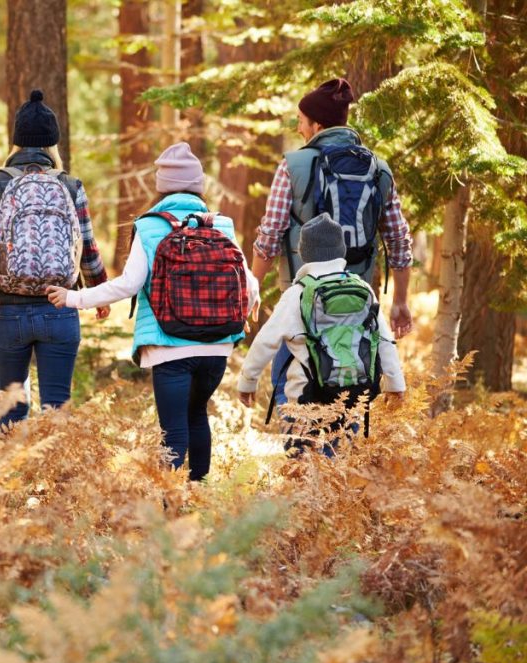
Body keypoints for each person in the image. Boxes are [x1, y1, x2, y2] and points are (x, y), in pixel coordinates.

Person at [47, 142, 259, 481]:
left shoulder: (149, 226)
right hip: (218, 346)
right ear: (198, 186)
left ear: (162, 186)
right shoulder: (222, 225)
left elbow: (128, 285)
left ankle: (170, 508)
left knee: (173, 430)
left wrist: (74, 298)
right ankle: (198, 495)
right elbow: (247, 282)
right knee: (197, 415)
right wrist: (245, 311)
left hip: (168, 344)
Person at [250, 77, 414, 410]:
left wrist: (253, 286)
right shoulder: (378, 170)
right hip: (356, 303)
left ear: (317, 124)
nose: (298, 128)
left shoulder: (293, 166)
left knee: (293, 387)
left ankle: (304, 456)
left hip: (303, 301)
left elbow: (270, 234)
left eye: (300, 121)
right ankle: (339, 459)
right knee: (350, 390)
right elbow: (398, 239)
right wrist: (400, 301)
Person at [0, 89, 110, 430]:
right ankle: (54, 480)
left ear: (16, 142)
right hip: (60, 308)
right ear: (53, 143)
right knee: (56, 409)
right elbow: (87, 247)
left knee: (11, 408)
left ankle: (13, 480)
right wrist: (100, 293)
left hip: (6, 312)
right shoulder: (70, 185)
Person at [238, 214, 405, 457]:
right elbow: (384, 341)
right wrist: (395, 384)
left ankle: (308, 489)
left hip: (307, 396)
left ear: (303, 253)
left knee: (304, 458)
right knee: (339, 455)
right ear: (342, 251)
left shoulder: (297, 293)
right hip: (354, 392)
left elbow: (265, 342)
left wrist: (248, 381)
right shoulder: (362, 288)